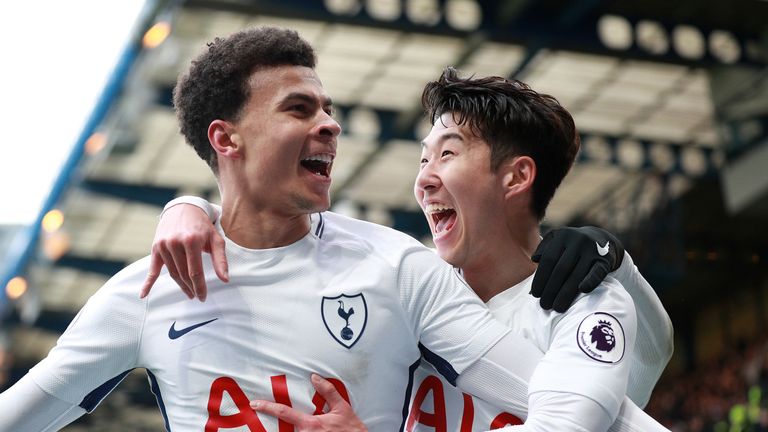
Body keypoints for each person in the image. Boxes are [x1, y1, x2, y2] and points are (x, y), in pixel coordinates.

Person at [0, 26, 650, 432]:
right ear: (225, 139)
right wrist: (186, 203)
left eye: (329, 109)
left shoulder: (398, 269)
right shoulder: (146, 292)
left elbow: (577, 410)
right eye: (299, 108)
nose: (331, 124)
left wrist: (613, 265)